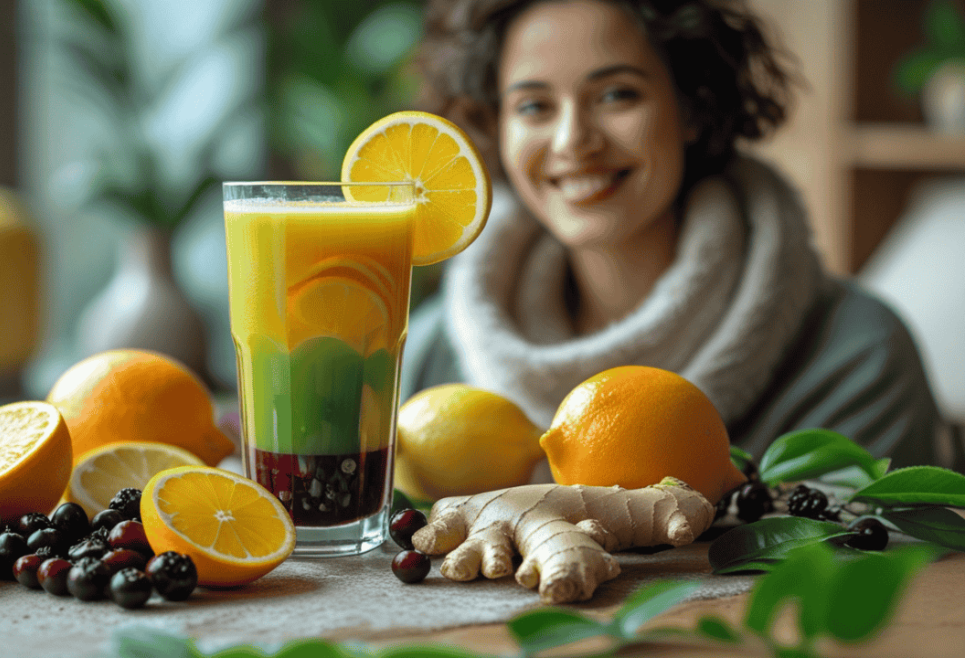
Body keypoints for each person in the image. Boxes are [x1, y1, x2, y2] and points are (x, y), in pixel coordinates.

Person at [401, 0, 955, 470]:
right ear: (496, 126)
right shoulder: (430, 354)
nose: (572, 140)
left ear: (692, 106)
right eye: (533, 106)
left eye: (617, 94)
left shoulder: (855, 357)